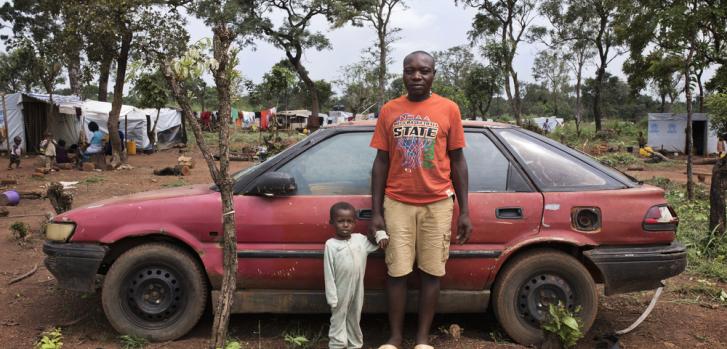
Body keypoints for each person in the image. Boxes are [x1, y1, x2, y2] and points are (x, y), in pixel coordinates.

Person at [370, 51, 472, 349]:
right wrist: (376, 211)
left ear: (433, 75)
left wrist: (465, 210)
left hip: (438, 204)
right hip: (397, 203)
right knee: (397, 272)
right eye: (410, 71)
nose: (416, 76)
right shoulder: (390, 110)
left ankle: (423, 340)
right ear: (402, 74)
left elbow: (458, 161)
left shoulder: (449, 109)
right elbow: (380, 162)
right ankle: (395, 338)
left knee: (431, 271)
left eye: (423, 71)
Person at [324, 202, 389, 349]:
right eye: (341, 221)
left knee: (354, 316)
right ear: (332, 222)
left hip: (358, 288)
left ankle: (355, 344)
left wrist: (381, 234)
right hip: (340, 290)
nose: (345, 225)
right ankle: (337, 344)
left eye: (349, 221)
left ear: (355, 222)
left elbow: (378, 244)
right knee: (338, 318)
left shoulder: (359, 240)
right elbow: (328, 272)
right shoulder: (331, 245)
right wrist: (332, 296)